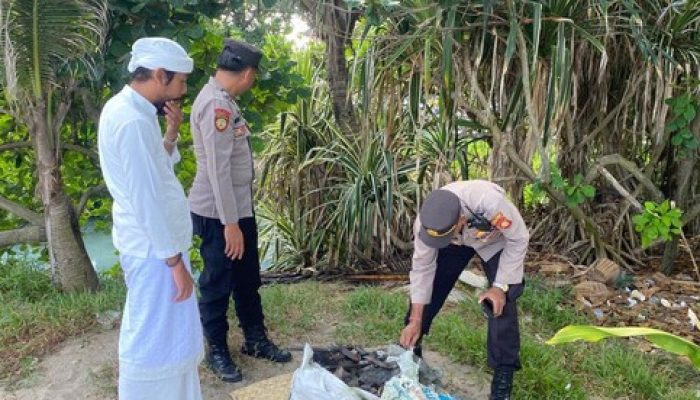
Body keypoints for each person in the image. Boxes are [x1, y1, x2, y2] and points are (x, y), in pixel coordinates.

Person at [97, 37, 203, 400]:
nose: (182, 91)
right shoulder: (131, 121)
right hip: (154, 251)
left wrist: (172, 134)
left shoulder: (137, 113)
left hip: (158, 247)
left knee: (169, 337)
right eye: (180, 82)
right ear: (159, 75)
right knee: (152, 338)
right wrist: (173, 261)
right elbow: (146, 198)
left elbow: (155, 170)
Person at [188, 39, 292, 383]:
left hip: (237, 209)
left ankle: (255, 340)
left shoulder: (226, 102)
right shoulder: (216, 106)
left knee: (248, 278)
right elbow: (217, 170)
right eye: (254, 76)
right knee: (218, 282)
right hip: (218, 213)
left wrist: (238, 218)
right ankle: (217, 350)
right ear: (246, 73)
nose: (253, 81)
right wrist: (229, 224)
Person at [399, 180, 529, 400]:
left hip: (493, 242)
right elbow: (422, 269)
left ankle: (503, 379)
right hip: (453, 243)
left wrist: (499, 287)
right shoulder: (427, 223)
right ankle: (413, 354)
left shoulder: (490, 202)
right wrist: (415, 320)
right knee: (429, 291)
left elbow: (518, 239)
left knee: (501, 302)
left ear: (460, 219)